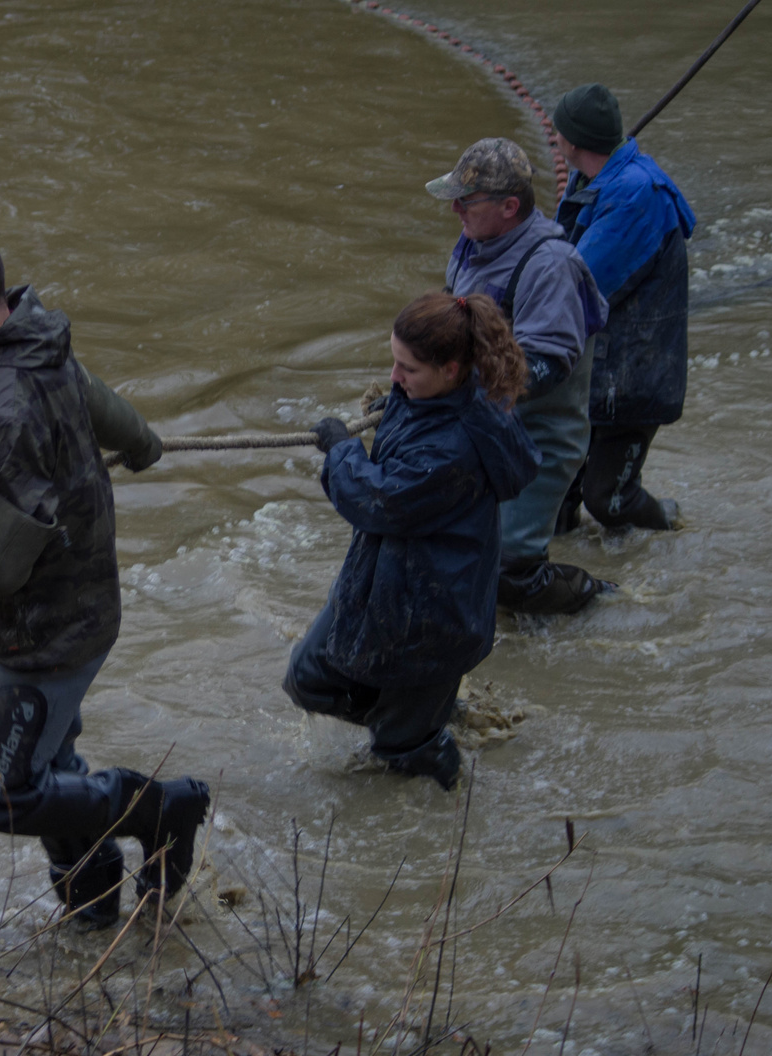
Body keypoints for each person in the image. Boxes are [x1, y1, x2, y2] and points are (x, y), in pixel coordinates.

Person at [0, 214, 209, 929]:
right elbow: (102, 406)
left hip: (40, 637)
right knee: (49, 761)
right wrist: (142, 442)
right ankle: (95, 904)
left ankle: (162, 806)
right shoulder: (33, 334)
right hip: (81, 609)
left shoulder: (0, 407)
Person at [284, 293, 539, 790]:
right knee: (307, 678)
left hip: (432, 617)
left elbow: (376, 499)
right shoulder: (439, 393)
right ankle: (425, 717)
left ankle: (444, 784)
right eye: (394, 362)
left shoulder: (456, 445)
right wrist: (392, 407)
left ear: (451, 369)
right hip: (380, 586)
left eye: (408, 369)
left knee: (401, 749)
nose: (396, 377)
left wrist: (341, 450)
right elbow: (403, 443)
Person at [429, 137, 610, 615]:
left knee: (510, 575)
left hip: (540, 439)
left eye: (466, 201)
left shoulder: (550, 266)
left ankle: (601, 597)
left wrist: (453, 387)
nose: (454, 210)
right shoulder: (473, 243)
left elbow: (546, 369)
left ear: (510, 206)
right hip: (486, 427)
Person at [551, 83, 697, 533]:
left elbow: (580, 286)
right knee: (552, 496)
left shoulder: (636, 195)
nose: (553, 137)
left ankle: (669, 532)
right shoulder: (597, 175)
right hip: (597, 368)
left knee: (608, 498)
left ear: (574, 143)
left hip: (631, 375)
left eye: (558, 132)